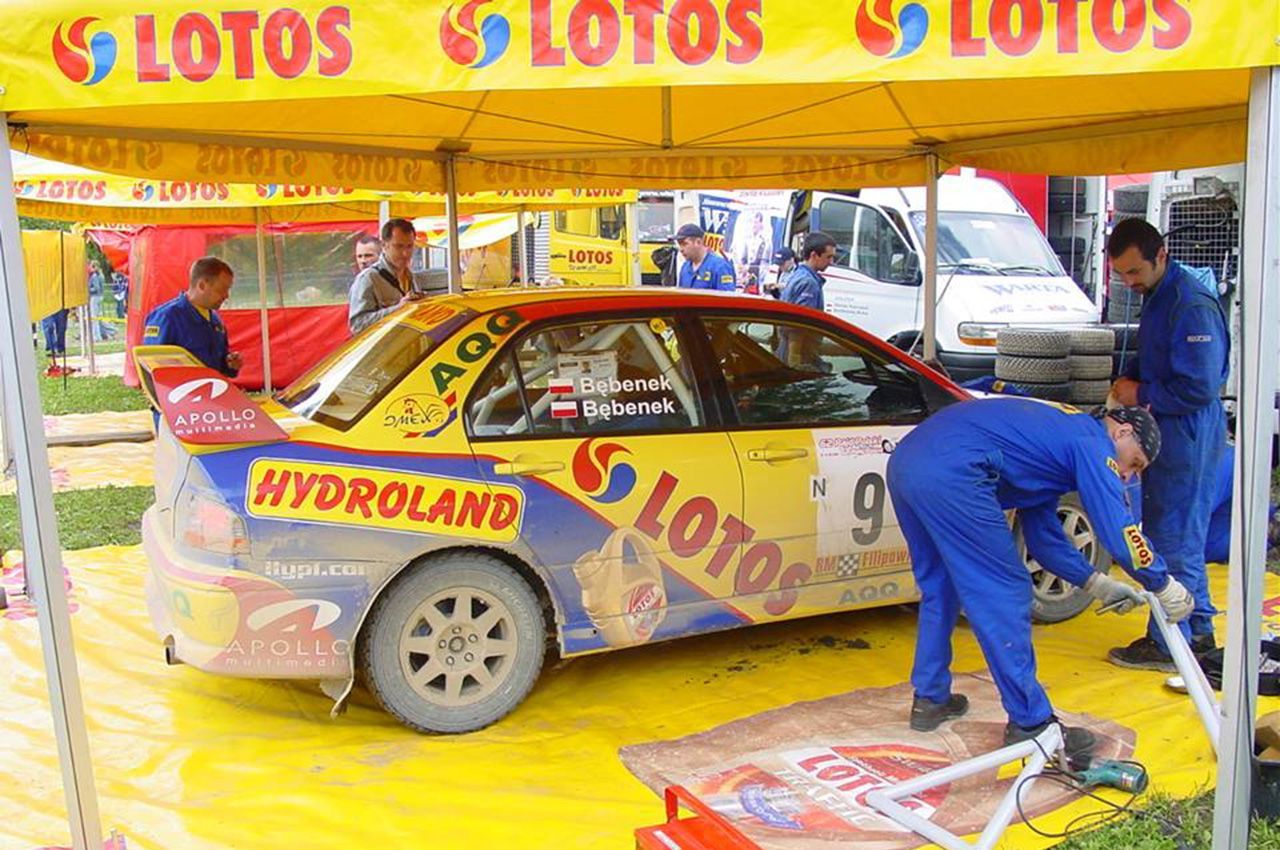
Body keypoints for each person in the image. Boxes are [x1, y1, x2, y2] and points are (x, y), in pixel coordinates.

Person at [887, 398, 1192, 755]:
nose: (1128, 475)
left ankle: (930, 698)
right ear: (1121, 432)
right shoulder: (1093, 444)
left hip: (907, 461)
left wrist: (1096, 583)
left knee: (941, 586)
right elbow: (1120, 531)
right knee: (1006, 591)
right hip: (954, 471)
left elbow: (1045, 539)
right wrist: (1162, 583)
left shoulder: (1057, 443)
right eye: (1135, 463)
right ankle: (1031, 724)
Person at [1106, 218, 1229, 670]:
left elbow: (1199, 385)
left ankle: (1172, 643)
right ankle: (1195, 631)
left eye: (1134, 271)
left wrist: (1141, 392)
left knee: (1176, 535)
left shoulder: (1190, 304)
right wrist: (1128, 379)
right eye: (1121, 274)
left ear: (1161, 255)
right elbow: (1154, 355)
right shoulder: (1158, 294)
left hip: (1188, 428)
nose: (1129, 282)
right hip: (1168, 425)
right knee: (1170, 529)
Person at [143, 256, 242, 377]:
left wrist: (231, 364)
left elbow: (221, 365)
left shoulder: (216, 321)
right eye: (222, 289)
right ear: (202, 285)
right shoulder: (166, 317)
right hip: (182, 389)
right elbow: (152, 370)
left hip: (212, 387)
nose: (226, 296)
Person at [348, 218, 444, 334]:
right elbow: (357, 325)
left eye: (409, 246)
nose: (405, 253)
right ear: (384, 245)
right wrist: (399, 309)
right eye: (399, 246)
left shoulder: (412, 278)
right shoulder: (368, 279)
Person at [780, 231, 837, 311]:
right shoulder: (808, 283)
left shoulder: (796, 275)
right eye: (829, 257)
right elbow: (805, 317)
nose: (831, 262)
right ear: (814, 255)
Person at [674, 223, 735, 291]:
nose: (681, 249)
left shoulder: (720, 266)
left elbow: (727, 296)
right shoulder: (685, 267)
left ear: (698, 242)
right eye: (680, 245)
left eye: (685, 244)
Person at [40, 307, 72, 377]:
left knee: (61, 327)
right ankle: (51, 349)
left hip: (60, 305)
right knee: (48, 326)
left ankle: (60, 348)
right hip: (45, 304)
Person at [87, 260, 113, 341]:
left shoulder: (94, 276)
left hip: (95, 297)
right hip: (99, 297)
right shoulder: (100, 275)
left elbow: (97, 288)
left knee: (94, 318)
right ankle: (108, 332)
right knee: (98, 317)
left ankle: (96, 336)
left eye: (91, 266)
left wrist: (87, 290)